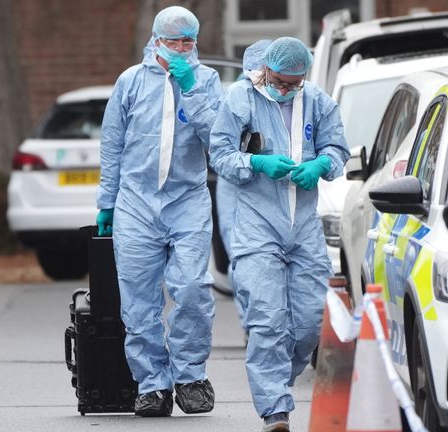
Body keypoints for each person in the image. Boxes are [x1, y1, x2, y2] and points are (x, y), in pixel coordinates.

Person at [209, 37, 350, 432]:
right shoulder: (241, 98)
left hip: (304, 227)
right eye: (280, 82)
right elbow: (220, 154)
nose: (286, 89)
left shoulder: (319, 101)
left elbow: (338, 148)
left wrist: (321, 163)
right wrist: (255, 161)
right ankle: (275, 410)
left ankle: (275, 380)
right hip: (257, 224)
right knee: (267, 319)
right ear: (266, 70)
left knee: (308, 322)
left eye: (294, 83)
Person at [95, 6, 220, 417]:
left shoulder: (206, 80)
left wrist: (193, 91)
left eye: (188, 41)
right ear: (156, 40)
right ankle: (152, 384)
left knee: (191, 289)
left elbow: (217, 139)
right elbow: (112, 145)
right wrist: (107, 202)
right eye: (174, 41)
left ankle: (190, 377)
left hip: (187, 200)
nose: (182, 49)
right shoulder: (130, 81)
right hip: (136, 202)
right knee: (138, 298)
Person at [216, 39, 273, 335]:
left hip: (274, 185)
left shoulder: (290, 95)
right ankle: (252, 326)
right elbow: (220, 150)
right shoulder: (234, 97)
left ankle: (269, 324)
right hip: (234, 183)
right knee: (240, 256)